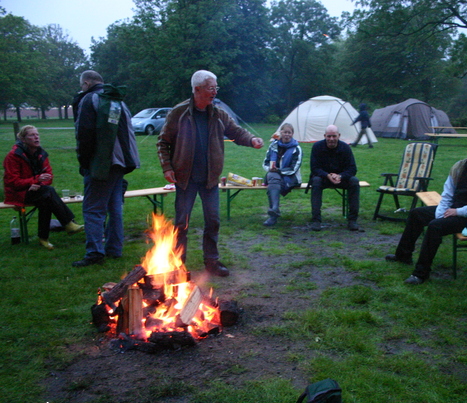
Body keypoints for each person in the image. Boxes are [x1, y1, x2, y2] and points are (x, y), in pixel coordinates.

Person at [157, 70, 264, 277]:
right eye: (210, 88)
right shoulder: (179, 113)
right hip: (185, 179)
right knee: (181, 223)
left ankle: (212, 262)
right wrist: (167, 168)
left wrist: (251, 140)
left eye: (216, 87)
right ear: (197, 89)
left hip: (210, 179)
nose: (214, 92)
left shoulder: (218, 114)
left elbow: (236, 131)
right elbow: (163, 142)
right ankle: (178, 265)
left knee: (213, 221)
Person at [385, 135, 467, 284]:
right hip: (451, 210)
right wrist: (441, 214)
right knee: (416, 214)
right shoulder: (459, 167)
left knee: (435, 227)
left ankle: (421, 273)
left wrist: (458, 212)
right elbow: (447, 194)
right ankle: (403, 256)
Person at [72, 70, 140, 267]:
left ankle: (94, 253)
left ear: (86, 83)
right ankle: (114, 249)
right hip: (123, 161)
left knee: (93, 209)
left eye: (81, 85)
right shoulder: (117, 100)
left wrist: (85, 162)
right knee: (114, 207)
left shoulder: (88, 99)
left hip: (102, 162)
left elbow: (84, 133)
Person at [3, 125, 84, 249]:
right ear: (23, 139)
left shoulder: (41, 154)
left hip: (39, 191)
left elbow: (49, 177)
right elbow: (12, 182)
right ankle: (68, 223)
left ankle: (44, 238)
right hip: (18, 193)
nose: (36, 137)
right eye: (32, 135)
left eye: (37, 135)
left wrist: (38, 185)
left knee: (46, 199)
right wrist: (34, 182)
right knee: (48, 193)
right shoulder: (14, 156)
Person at [309, 125, 360, 232]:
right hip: (323, 177)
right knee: (316, 181)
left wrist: (340, 176)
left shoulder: (345, 148)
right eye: (329, 136)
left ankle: (352, 220)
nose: (331, 139)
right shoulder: (317, 147)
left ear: (339, 136)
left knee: (354, 182)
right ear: (324, 136)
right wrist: (327, 175)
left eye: (334, 136)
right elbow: (314, 168)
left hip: (341, 178)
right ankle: (316, 220)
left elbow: (352, 168)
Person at [262, 123, 303, 226]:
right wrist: (271, 169)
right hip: (274, 175)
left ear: (292, 134)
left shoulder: (296, 148)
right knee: (272, 176)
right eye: (285, 132)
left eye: (289, 133)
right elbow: (265, 163)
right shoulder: (273, 146)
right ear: (281, 132)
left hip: (291, 177)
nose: (287, 135)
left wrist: (278, 171)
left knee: (272, 179)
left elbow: (294, 168)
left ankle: (273, 214)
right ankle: (275, 209)